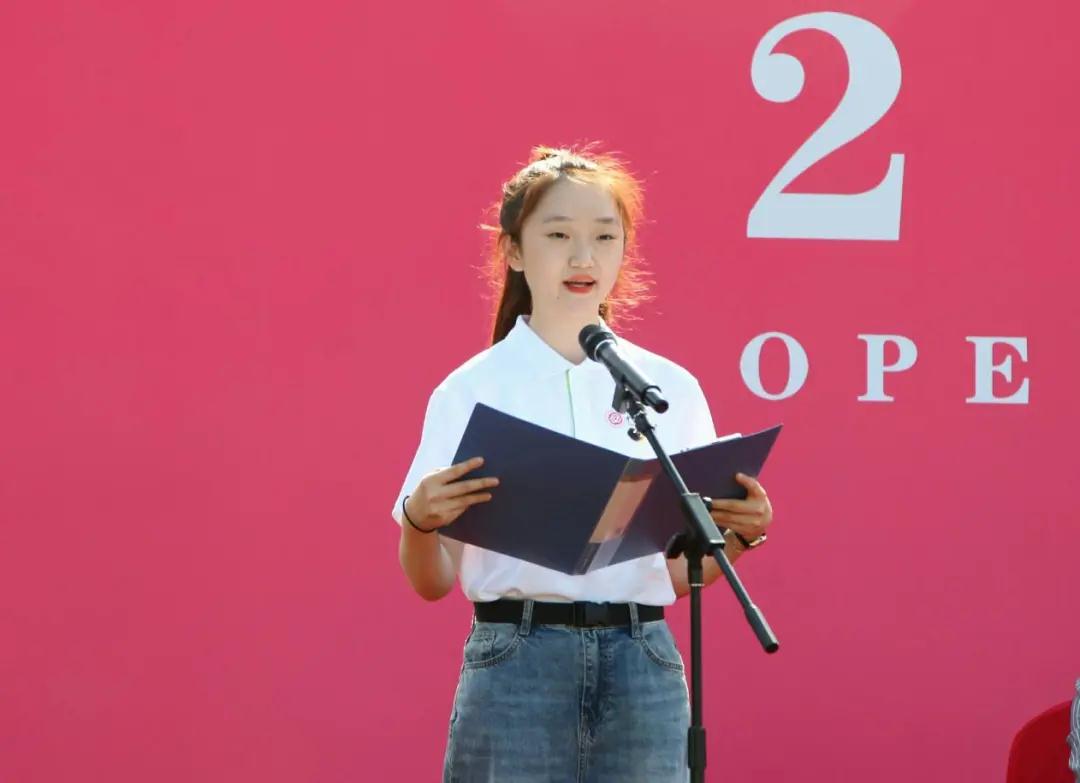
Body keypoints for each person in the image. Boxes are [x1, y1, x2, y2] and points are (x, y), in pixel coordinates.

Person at [391, 143, 774, 782]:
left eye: (604, 236)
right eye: (558, 235)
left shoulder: (667, 389)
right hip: (517, 660)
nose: (583, 257)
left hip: (642, 660)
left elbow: (676, 575)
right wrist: (418, 522)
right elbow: (432, 581)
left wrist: (738, 535)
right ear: (514, 251)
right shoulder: (473, 389)